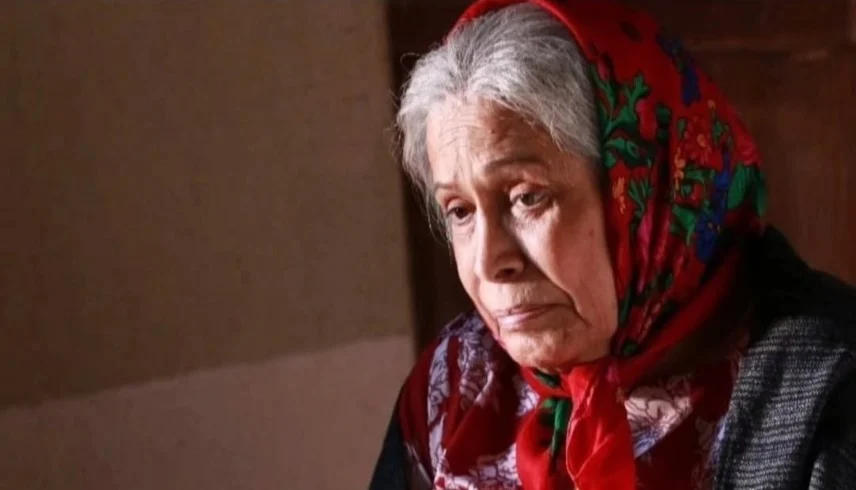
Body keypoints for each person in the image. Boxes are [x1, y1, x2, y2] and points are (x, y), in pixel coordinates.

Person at [370, 0, 856, 488]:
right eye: (460, 211)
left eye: (527, 197)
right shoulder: (454, 386)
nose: (489, 261)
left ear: (647, 189)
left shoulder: (828, 386)